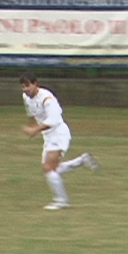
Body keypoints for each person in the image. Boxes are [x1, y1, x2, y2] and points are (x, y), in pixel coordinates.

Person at [20, 73, 98, 210]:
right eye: (23, 87)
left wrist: (35, 130)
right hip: (48, 136)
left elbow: (53, 121)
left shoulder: (48, 99)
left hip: (59, 134)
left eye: (27, 86)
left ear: (35, 84)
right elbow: (31, 114)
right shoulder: (26, 97)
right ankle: (82, 160)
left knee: (48, 168)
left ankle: (62, 201)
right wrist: (33, 128)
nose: (25, 89)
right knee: (52, 170)